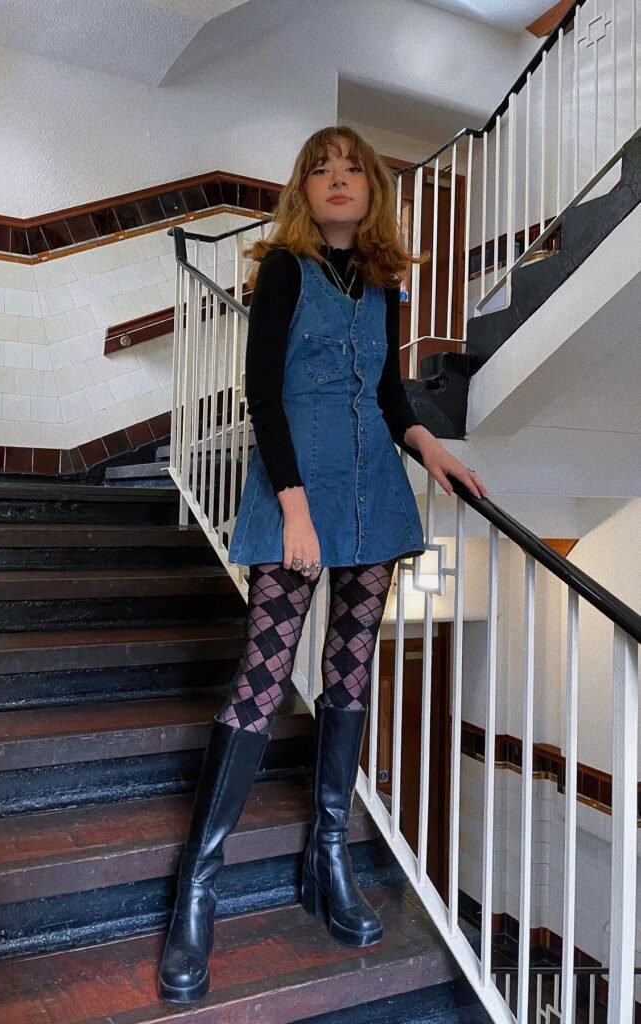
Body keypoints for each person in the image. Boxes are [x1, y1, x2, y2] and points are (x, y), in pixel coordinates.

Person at [157, 125, 488, 1004]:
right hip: (295, 492)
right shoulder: (283, 273)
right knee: (259, 685)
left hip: (374, 490)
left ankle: (327, 859)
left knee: (349, 677)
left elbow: (387, 396)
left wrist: (429, 449)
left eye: (352, 169)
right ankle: (198, 886)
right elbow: (260, 392)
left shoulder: (383, 287)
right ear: (302, 191)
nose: (338, 180)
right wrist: (293, 504)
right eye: (320, 169)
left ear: (372, 189)